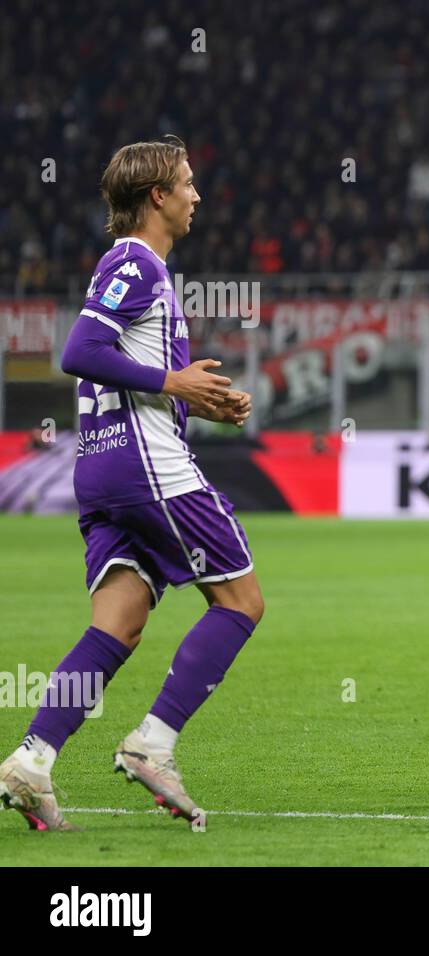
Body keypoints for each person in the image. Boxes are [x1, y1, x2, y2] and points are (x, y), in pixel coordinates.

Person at [0, 136, 261, 832]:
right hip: (144, 466)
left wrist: (201, 398)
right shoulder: (135, 262)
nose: (196, 195)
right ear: (157, 197)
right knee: (241, 601)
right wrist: (175, 381)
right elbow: (78, 351)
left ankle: (32, 759)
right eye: (187, 182)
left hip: (105, 468)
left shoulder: (138, 272)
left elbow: (127, 371)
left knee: (118, 623)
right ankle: (154, 742)